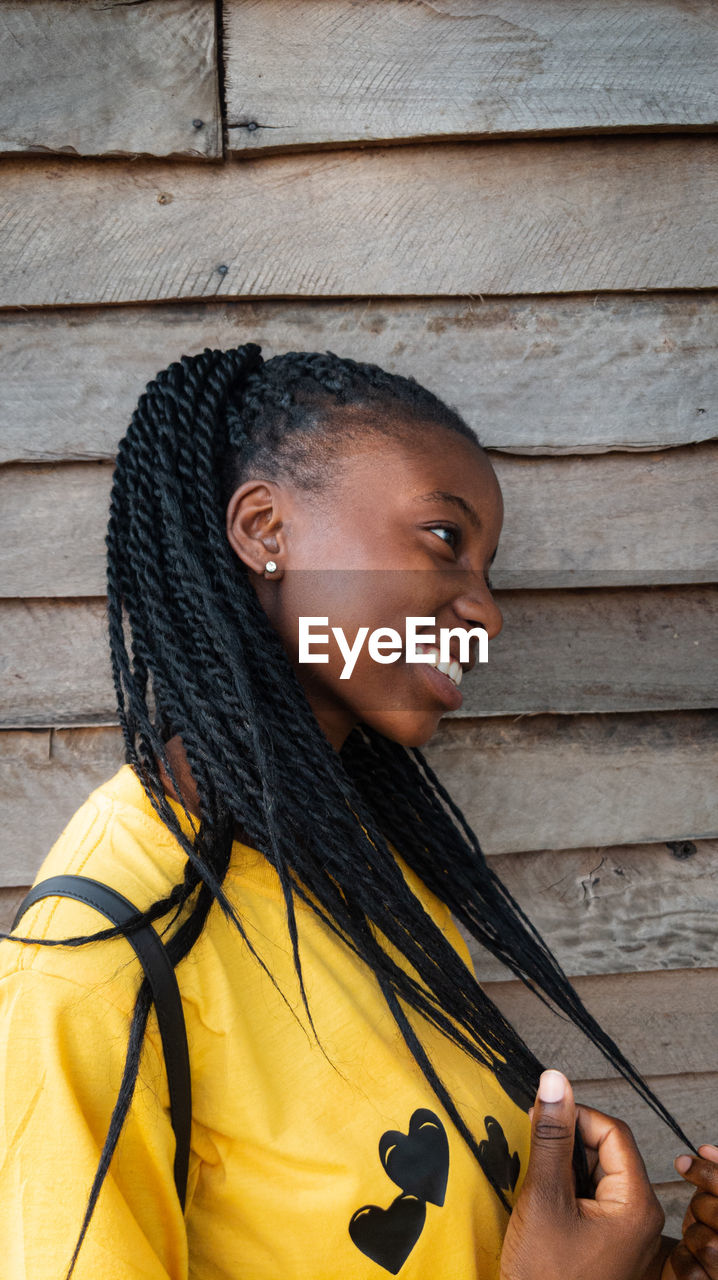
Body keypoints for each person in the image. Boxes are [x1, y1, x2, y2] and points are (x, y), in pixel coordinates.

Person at [0, 345, 715, 1279]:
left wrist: (646, 1264)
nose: (488, 614)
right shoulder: (103, 958)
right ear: (265, 529)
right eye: (445, 539)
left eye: (487, 565)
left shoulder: (377, 866)